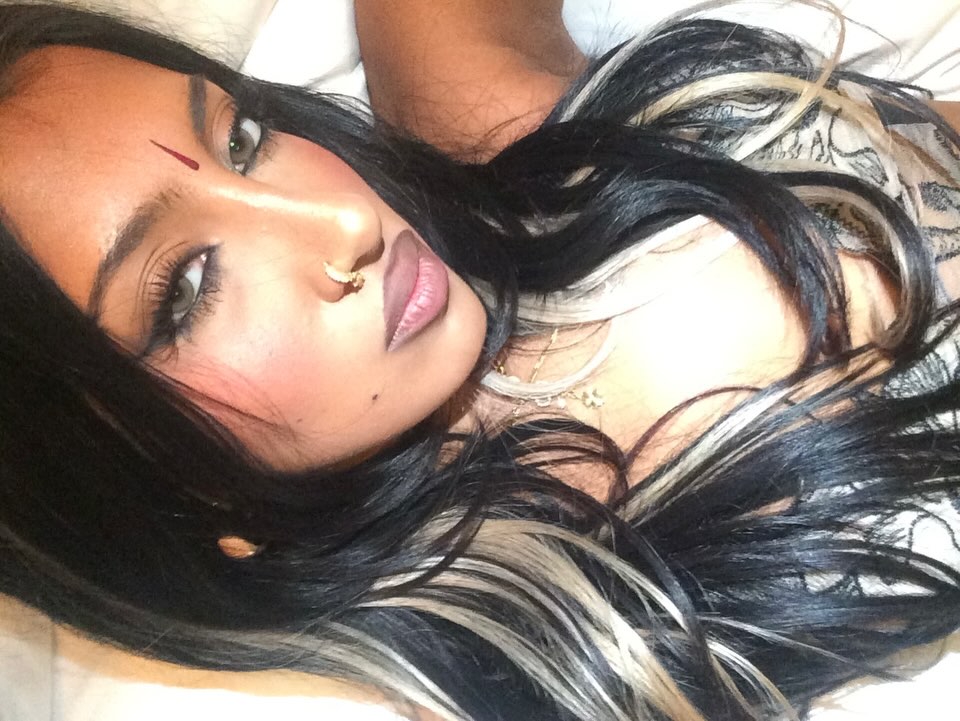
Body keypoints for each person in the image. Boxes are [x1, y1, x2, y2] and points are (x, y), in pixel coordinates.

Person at [2, 2, 960, 720]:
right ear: (128, 478)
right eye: (186, 288)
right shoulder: (566, 673)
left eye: (243, 139)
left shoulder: (491, 127)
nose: (344, 219)